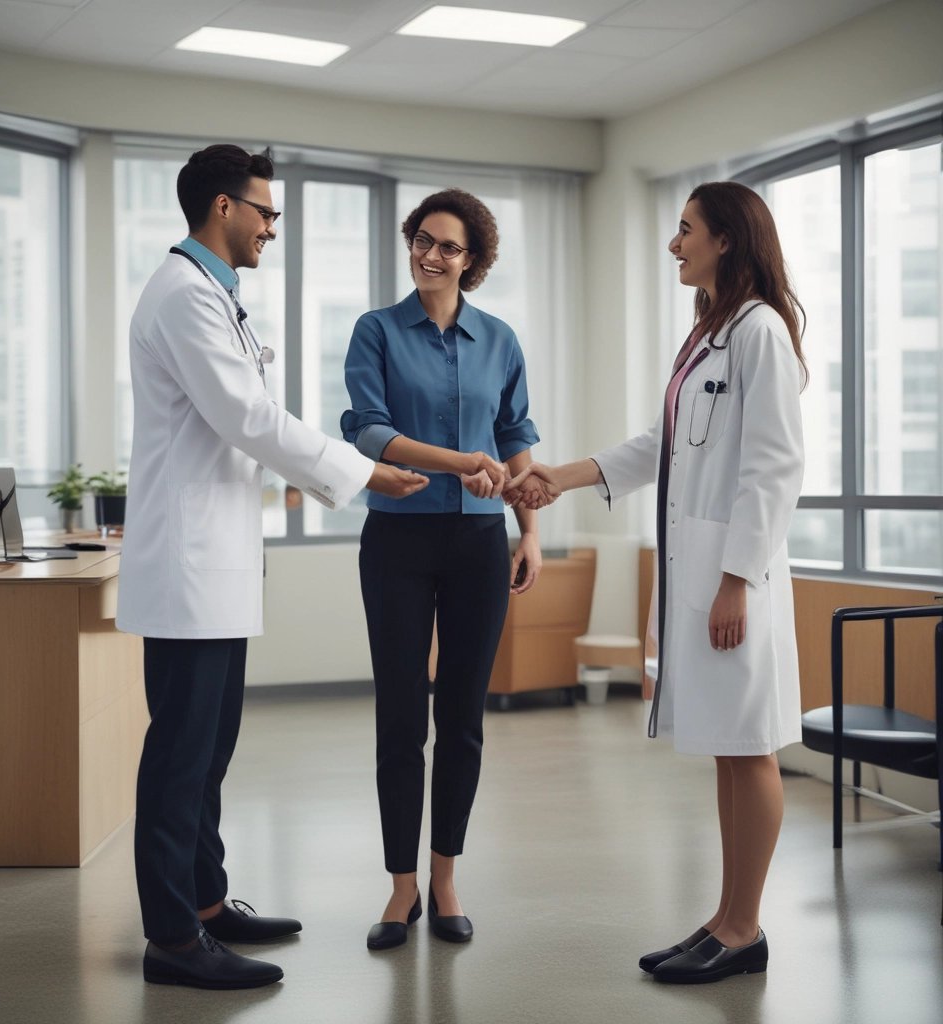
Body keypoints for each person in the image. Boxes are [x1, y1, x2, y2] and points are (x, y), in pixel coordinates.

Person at [116, 144, 428, 991]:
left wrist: (326, 470)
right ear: (223, 207)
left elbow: (253, 420)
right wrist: (362, 471)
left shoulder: (219, 298)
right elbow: (247, 416)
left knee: (210, 749)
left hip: (215, 563)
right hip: (188, 568)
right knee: (181, 753)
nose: (272, 229)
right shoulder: (184, 294)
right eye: (266, 212)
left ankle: (207, 902)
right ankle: (174, 940)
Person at [508, 181, 806, 984]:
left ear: (726, 241)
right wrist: (558, 478)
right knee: (723, 749)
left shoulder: (759, 332)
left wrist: (737, 580)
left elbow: (775, 468)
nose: (674, 245)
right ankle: (726, 917)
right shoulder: (707, 335)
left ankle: (745, 928)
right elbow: (659, 446)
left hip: (733, 579)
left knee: (749, 749)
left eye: (685, 231)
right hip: (703, 575)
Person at [341, 188, 542, 950]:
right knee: (401, 716)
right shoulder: (378, 331)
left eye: (448, 247)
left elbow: (517, 437)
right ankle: (400, 891)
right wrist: (461, 463)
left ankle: (446, 876)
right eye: (421, 239)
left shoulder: (499, 339)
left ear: (473, 261)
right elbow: (369, 431)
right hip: (396, 542)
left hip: (478, 546)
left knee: (461, 719)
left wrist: (530, 532)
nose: (430, 255)